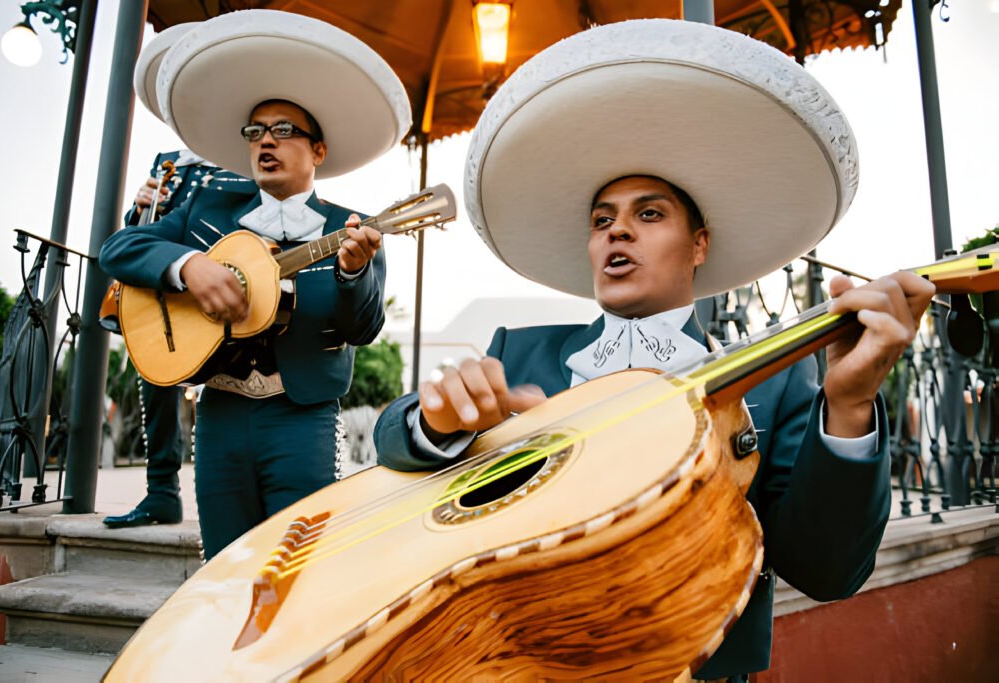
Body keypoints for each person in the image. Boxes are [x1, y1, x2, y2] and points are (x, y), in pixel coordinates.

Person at [374, 19, 934, 681]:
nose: (618, 232)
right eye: (602, 218)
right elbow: (393, 441)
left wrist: (848, 404)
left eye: (649, 213)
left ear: (699, 245)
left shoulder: (778, 385)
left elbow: (828, 568)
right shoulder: (517, 352)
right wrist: (437, 421)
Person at [100, 11, 411, 558]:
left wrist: (353, 272)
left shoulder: (350, 224)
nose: (266, 141)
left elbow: (364, 327)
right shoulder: (207, 208)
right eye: (256, 132)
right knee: (223, 566)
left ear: (318, 150)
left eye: (284, 131)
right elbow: (119, 250)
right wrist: (188, 267)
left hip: (303, 417)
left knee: (298, 564)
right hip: (220, 416)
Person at [102, 150, 251, 529]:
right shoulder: (169, 160)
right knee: (154, 383)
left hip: (226, 283)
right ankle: (162, 492)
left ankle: (241, 499)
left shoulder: (245, 154)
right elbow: (144, 232)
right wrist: (139, 210)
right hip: (166, 289)